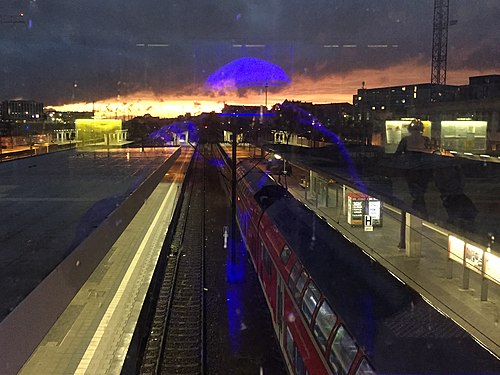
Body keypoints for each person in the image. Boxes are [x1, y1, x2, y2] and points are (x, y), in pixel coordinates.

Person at [395, 120, 433, 218]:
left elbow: (398, 153)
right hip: (423, 168)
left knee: (414, 189)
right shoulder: (426, 140)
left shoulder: (406, 140)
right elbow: (431, 152)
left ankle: (417, 209)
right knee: (421, 190)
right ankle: (421, 210)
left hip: (411, 168)